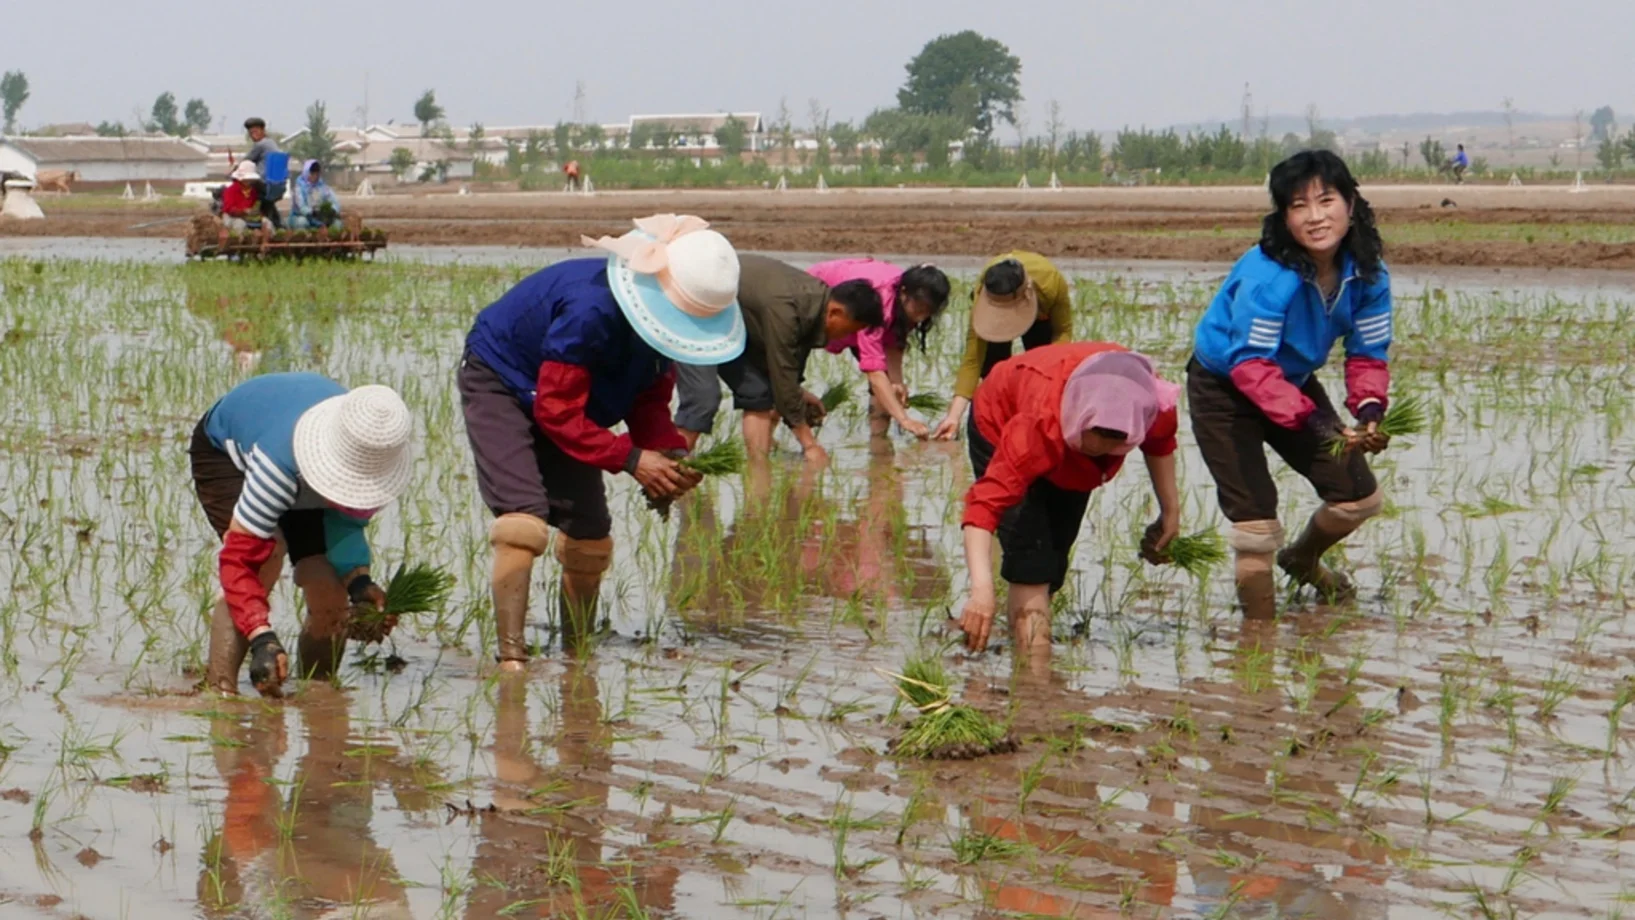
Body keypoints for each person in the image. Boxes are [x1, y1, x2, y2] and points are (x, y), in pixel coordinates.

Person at [461, 213, 742, 668]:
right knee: (523, 521)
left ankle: (577, 651)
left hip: (569, 398)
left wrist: (666, 453)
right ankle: (510, 657)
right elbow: (555, 411)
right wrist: (631, 459)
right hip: (504, 379)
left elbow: (648, 400)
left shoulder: (658, 335)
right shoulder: (591, 310)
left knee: (590, 534)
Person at [1187, 149, 1391, 620]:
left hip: (1292, 380)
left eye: (1326, 200)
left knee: (1359, 496)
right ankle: (1258, 645)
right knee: (1256, 526)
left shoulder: (1368, 273)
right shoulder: (1269, 276)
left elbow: (1368, 351)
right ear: (1284, 217)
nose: (1316, 217)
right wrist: (1318, 422)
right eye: (1299, 206)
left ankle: (1302, 559)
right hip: (1225, 386)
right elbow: (1250, 367)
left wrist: (1369, 412)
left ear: (1351, 203)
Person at [190, 374, 416, 696]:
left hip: (306, 456)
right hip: (227, 453)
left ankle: (318, 692)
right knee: (265, 559)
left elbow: (346, 523)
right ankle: (220, 690)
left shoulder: (374, 458)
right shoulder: (276, 469)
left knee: (327, 585)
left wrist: (358, 582)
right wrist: (262, 637)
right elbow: (238, 562)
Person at [956, 343, 1182, 663]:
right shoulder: (1037, 426)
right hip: (1000, 420)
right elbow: (983, 509)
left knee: (1054, 557)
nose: (1101, 448)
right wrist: (981, 591)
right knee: (1031, 560)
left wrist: (1170, 511)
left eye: (1115, 444)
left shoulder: (1149, 403)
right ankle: (1034, 678)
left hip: (1069, 459)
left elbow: (1160, 443)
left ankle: (1024, 636)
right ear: (1080, 417)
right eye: (1095, 438)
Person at [673, 254, 885, 464]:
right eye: (850, 330)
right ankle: (672, 471)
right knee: (703, 398)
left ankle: (758, 471)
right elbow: (781, 369)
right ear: (836, 313)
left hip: (725, 320)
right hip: (691, 309)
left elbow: (789, 363)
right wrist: (809, 444)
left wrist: (798, 392)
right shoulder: (787, 309)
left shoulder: (816, 303)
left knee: (758, 392)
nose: (848, 337)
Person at [930, 251, 1074, 440]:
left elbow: (1062, 332)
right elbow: (973, 360)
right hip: (995, 313)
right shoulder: (983, 292)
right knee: (993, 373)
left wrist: (1050, 378)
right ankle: (998, 425)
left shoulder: (1050, 284)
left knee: (1041, 369)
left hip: (1039, 315)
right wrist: (953, 417)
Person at [806, 258, 951, 438]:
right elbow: (874, 371)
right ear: (903, 292)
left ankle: (878, 443)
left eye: (928, 311)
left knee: (888, 385)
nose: (921, 316)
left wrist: (897, 382)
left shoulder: (906, 306)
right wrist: (904, 420)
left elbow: (894, 341)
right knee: (785, 373)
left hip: (856, 314)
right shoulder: (875, 305)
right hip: (819, 300)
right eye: (919, 307)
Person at [241, 117, 285, 229]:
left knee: (244, 190)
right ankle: (277, 224)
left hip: (263, 184)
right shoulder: (271, 142)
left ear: (263, 131)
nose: (253, 135)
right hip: (276, 185)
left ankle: (251, 225)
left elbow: (245, 162)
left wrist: (232, 171)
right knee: (266, 202)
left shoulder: (260, 144)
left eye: (255, 132)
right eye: (251, 133)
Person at [217, 160, 271, 250]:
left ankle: (265, 243)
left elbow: (255, 207)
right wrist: (243, 211)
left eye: (250, 180)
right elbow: (229, 209)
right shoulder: (230, 190)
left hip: (248, 217)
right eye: (247, 179)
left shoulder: (253, 192)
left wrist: (257, 214)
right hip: (231, 217)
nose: (249, 181)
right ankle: (239, 247)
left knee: (267, 222)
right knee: (240, 224)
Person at [288, 159, 342, 230]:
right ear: (306, 173)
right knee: (302, 222)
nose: (315, 176)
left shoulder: (322, 186)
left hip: (320, 219)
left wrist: (333, 210)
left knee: (337, 224)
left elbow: (334, 201)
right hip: (301, 217)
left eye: (317, 174)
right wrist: (313, 212)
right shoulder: (299, 188)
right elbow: (301, 206)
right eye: (312, 174)